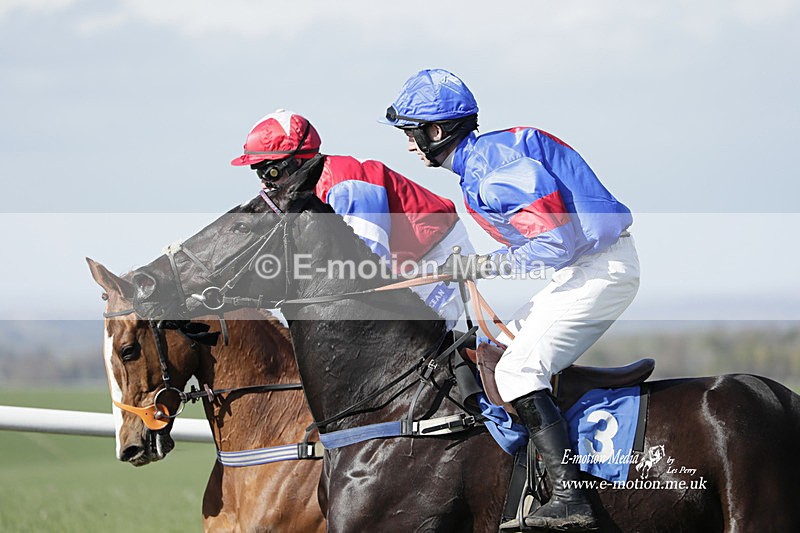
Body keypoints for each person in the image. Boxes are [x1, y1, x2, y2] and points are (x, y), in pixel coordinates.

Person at [382, 69, 640, 531]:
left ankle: (572, 498)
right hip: (586, 268)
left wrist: (481, 265)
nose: (408, 145)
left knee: (517, 371)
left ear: (436, 132)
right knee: (494, 352)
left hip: (601, 271)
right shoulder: (487, 158)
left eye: (411, 133)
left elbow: (556, 243)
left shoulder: (492, 174)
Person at [230, 109, 475, 328]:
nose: (264, 184)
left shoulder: (347, 188)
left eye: (268, 172)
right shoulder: (307, 195)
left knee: (416, 340)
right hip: (402, 265)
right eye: (258, 172)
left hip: (437, 257)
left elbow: (369, 270)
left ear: (295, 162)